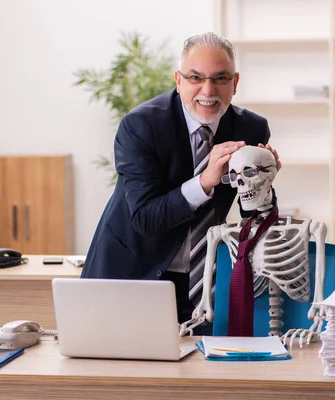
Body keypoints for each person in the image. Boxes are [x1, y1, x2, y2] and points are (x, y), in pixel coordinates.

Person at [81, 32, 281, 328]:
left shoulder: (250, 128)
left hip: (202, 281)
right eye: (195, 78)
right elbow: (145, 218)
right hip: (134, 274)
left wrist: (261, 183)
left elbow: (253, 221)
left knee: (204, 369)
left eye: (220, 78)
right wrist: (204, 182)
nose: (208, 90)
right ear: (178, 81)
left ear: (234, 83)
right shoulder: (141, 126)